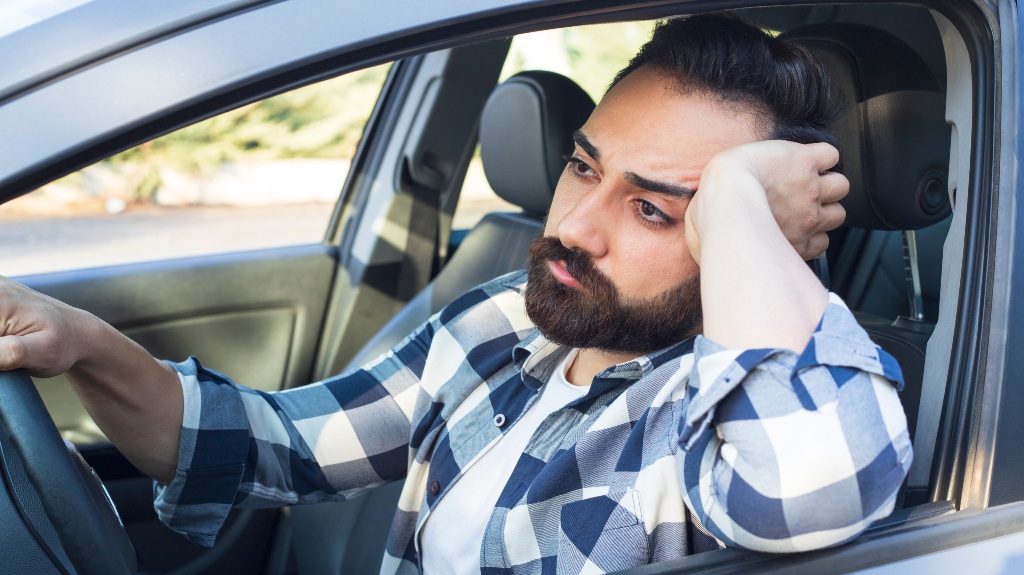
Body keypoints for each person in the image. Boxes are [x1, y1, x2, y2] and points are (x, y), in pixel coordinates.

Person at [0, 12, 911, 575]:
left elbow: (814, 488)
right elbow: (274, 445)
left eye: (654, 209)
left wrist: (743, 201)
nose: (574, 227)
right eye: (581, 166)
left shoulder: (719, 417)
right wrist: (78, 340)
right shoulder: (509, 318)